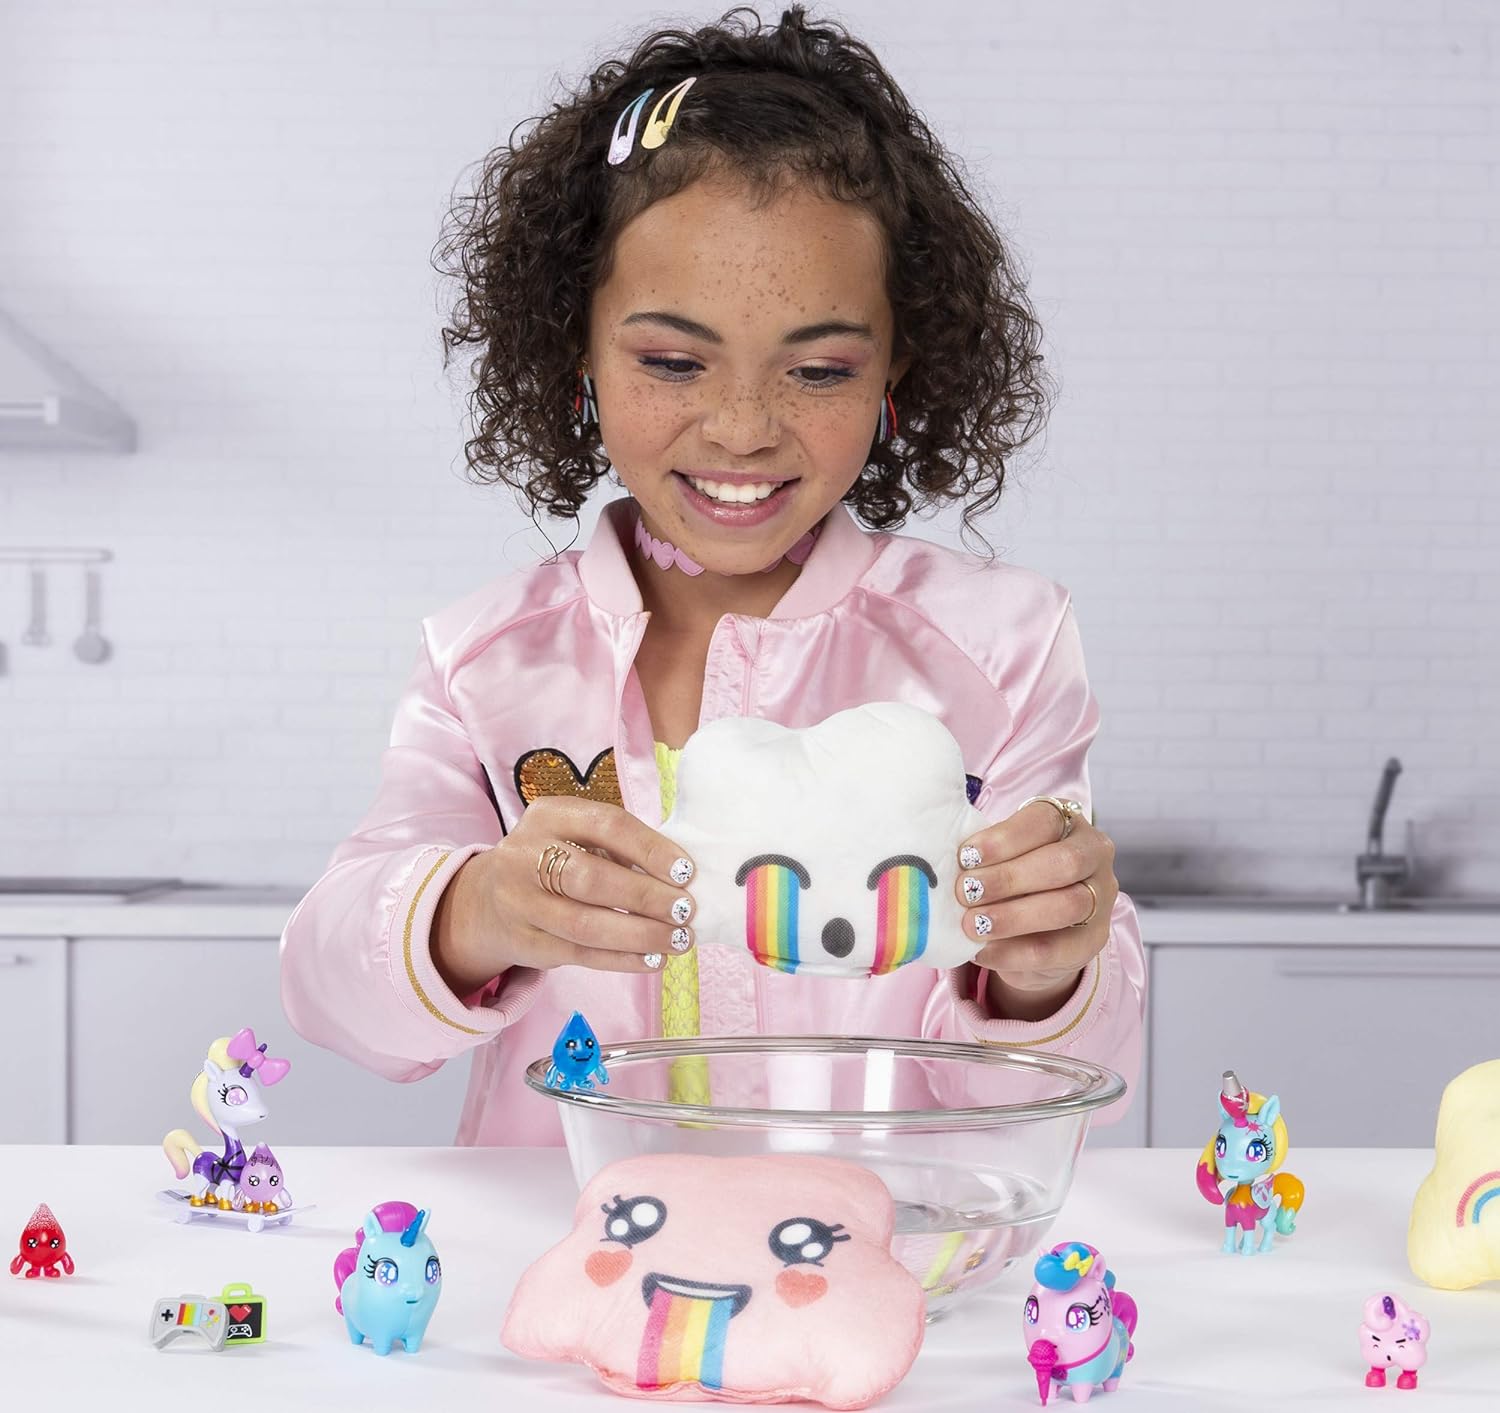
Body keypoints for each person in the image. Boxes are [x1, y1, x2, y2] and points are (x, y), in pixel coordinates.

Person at [280, 5, 1146, 1144]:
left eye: (819, 370)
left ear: (897, 368)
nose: (742, 427)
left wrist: (1045, 970)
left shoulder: (1002, 647)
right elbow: (329, 991)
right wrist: (474, 910)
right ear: (577, 349)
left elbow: (1072, 1074)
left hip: (881, 1230)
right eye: (673, 360)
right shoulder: (486, 664)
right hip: (569, 1236)